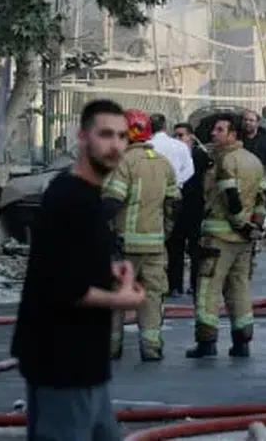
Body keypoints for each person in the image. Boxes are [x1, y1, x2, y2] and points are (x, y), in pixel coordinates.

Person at [11, 99, 146, 441]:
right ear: (82, 137)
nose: (115, 145)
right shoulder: (72, 200)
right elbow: (66, 289)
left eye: (122, 136)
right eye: (105, 135)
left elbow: (65, 262)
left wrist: (108, 270)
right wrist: (124, 300)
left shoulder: (83, 194)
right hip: (64, 363)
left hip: (85, 363)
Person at [102, 109, 181, 361]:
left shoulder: (123, 162)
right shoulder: (163, 163)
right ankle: (151, 347)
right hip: (155, 245)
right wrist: (164, 232)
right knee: (153, 296)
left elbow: (112, 202)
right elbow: (174, 204)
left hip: (125, 245)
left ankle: (111, 347)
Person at [188, 113, 266, 359]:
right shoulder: (254, 161)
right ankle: (242, 341)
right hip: (244, 242)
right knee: (239, 289)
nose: (213, 134)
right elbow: (262, 199)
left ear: (233, 134)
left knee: (208, 289)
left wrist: (240, 224)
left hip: (219, 239)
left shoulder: (224, 162)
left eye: (220, 130)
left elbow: (230, 198)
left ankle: (207, 341)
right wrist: (255, 226)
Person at [168, 122, 213, 298]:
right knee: (175, 247)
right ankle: (175, 285)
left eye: (181, 135)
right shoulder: (174, 155)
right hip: (178, 207)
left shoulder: (200, 155)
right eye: (175, 136)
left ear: (191, 137)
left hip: (196, 207)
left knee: (195, 249)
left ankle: (195, 285)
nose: (177, 139)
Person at [241, 110, 266, 213]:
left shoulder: (265, 140)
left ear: (257, 123)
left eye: (251, 120)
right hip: (241, 187)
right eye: (245, 120)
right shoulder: (236, 139)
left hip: (260, 186)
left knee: (261, 215)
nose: (247, 122)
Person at [148, 113, 194, 190]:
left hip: (152, 190)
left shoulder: (147, 145)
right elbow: (189, 170)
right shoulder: (180, 145)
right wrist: (175, 182)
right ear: (165, 126)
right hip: (174, 191)